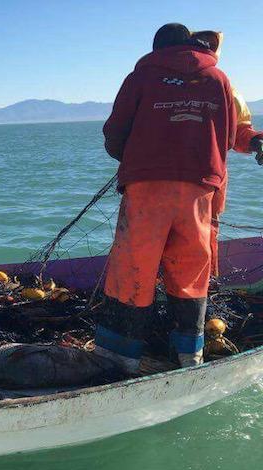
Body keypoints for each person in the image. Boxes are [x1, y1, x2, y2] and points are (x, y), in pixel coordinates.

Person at [94, 23, 237, 373]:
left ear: (156, 48)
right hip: (199, 190)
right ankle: (190, 356)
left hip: (147, 189)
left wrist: (133, 160)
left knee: (133, 267)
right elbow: (229, 136)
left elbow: (114, 132)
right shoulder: (219, 79)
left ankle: (118, 359)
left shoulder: (141, 76)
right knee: (190, 270)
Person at [191, 30, 263, 275]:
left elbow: (241, 130)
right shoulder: (224, 85)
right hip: (201, 177)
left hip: (207, 177)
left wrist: (256, 142)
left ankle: (205, 287)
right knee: (200, 233)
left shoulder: (224, 86)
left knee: (206, 232)